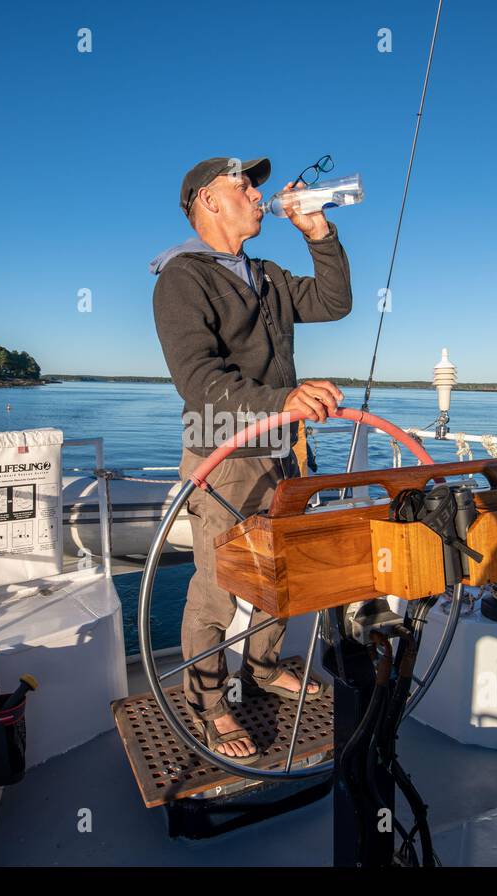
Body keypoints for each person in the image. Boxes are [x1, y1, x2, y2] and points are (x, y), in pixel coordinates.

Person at [149, 155, 350, 762]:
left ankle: (262, 669)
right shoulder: (182, 279)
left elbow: (333, 302)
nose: (258, 193)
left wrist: (320, 235)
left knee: (276, 572)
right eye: (243, 184)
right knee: (217, 589)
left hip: (281, 450)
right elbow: (199, 379)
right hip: (222, 453)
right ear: (207, 201)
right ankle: (207, 701)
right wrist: (284, 399)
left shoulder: (265, 274)